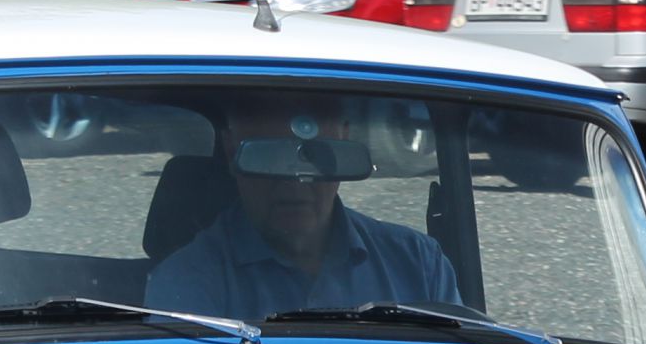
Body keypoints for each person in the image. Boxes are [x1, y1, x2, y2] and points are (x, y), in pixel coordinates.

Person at [146, 94, 463, 320]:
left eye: (314, 158)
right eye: (270, 159)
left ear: (344, 141)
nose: (294, 183)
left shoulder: (419, 265)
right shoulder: (186, 283)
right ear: (232, 152)